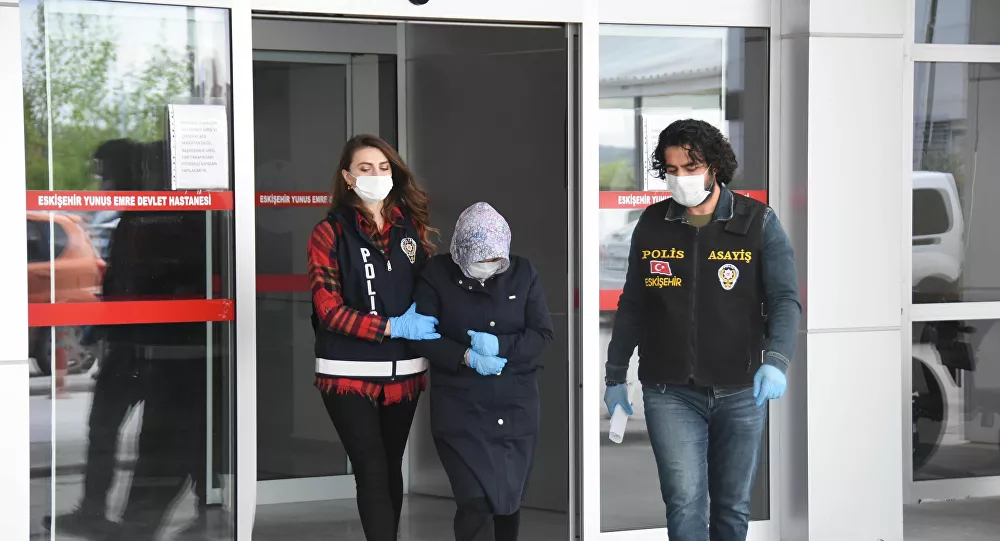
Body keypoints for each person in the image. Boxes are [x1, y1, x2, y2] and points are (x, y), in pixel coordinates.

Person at [604, 119, 801, 541]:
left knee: (732, 506)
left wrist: (777, 360)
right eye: (672, 169)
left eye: (690, 168)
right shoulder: (653, 223)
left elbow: (785, 300)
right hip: (669, 390)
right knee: (684, 501)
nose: (680, 178)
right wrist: (615, 375)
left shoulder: (757, 221)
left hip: (741, 390)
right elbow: (633, 304)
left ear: (714, 166)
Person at [309, 134, 440, 541]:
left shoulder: (410, 228)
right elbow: (328, 310)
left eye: (383, 167)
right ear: (348, 177)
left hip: (404, 372)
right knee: (371, 470)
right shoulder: (329, 232)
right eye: (365, 168)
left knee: (389, 467)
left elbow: (429, 290)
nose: (376, 175)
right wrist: (390, 326)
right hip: (347, 372)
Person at [410, 202, 554, 541]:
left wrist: (500, 346)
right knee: (475, 503)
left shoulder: (523, 273)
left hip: (515, 408)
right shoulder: (437, 274)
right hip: (461, 411)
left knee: (507, 504)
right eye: (479, 259)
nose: (487, 265)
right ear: (460, 251)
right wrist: (465, 357)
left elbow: (542, 334)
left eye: (494, 260)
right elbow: (419, 335)